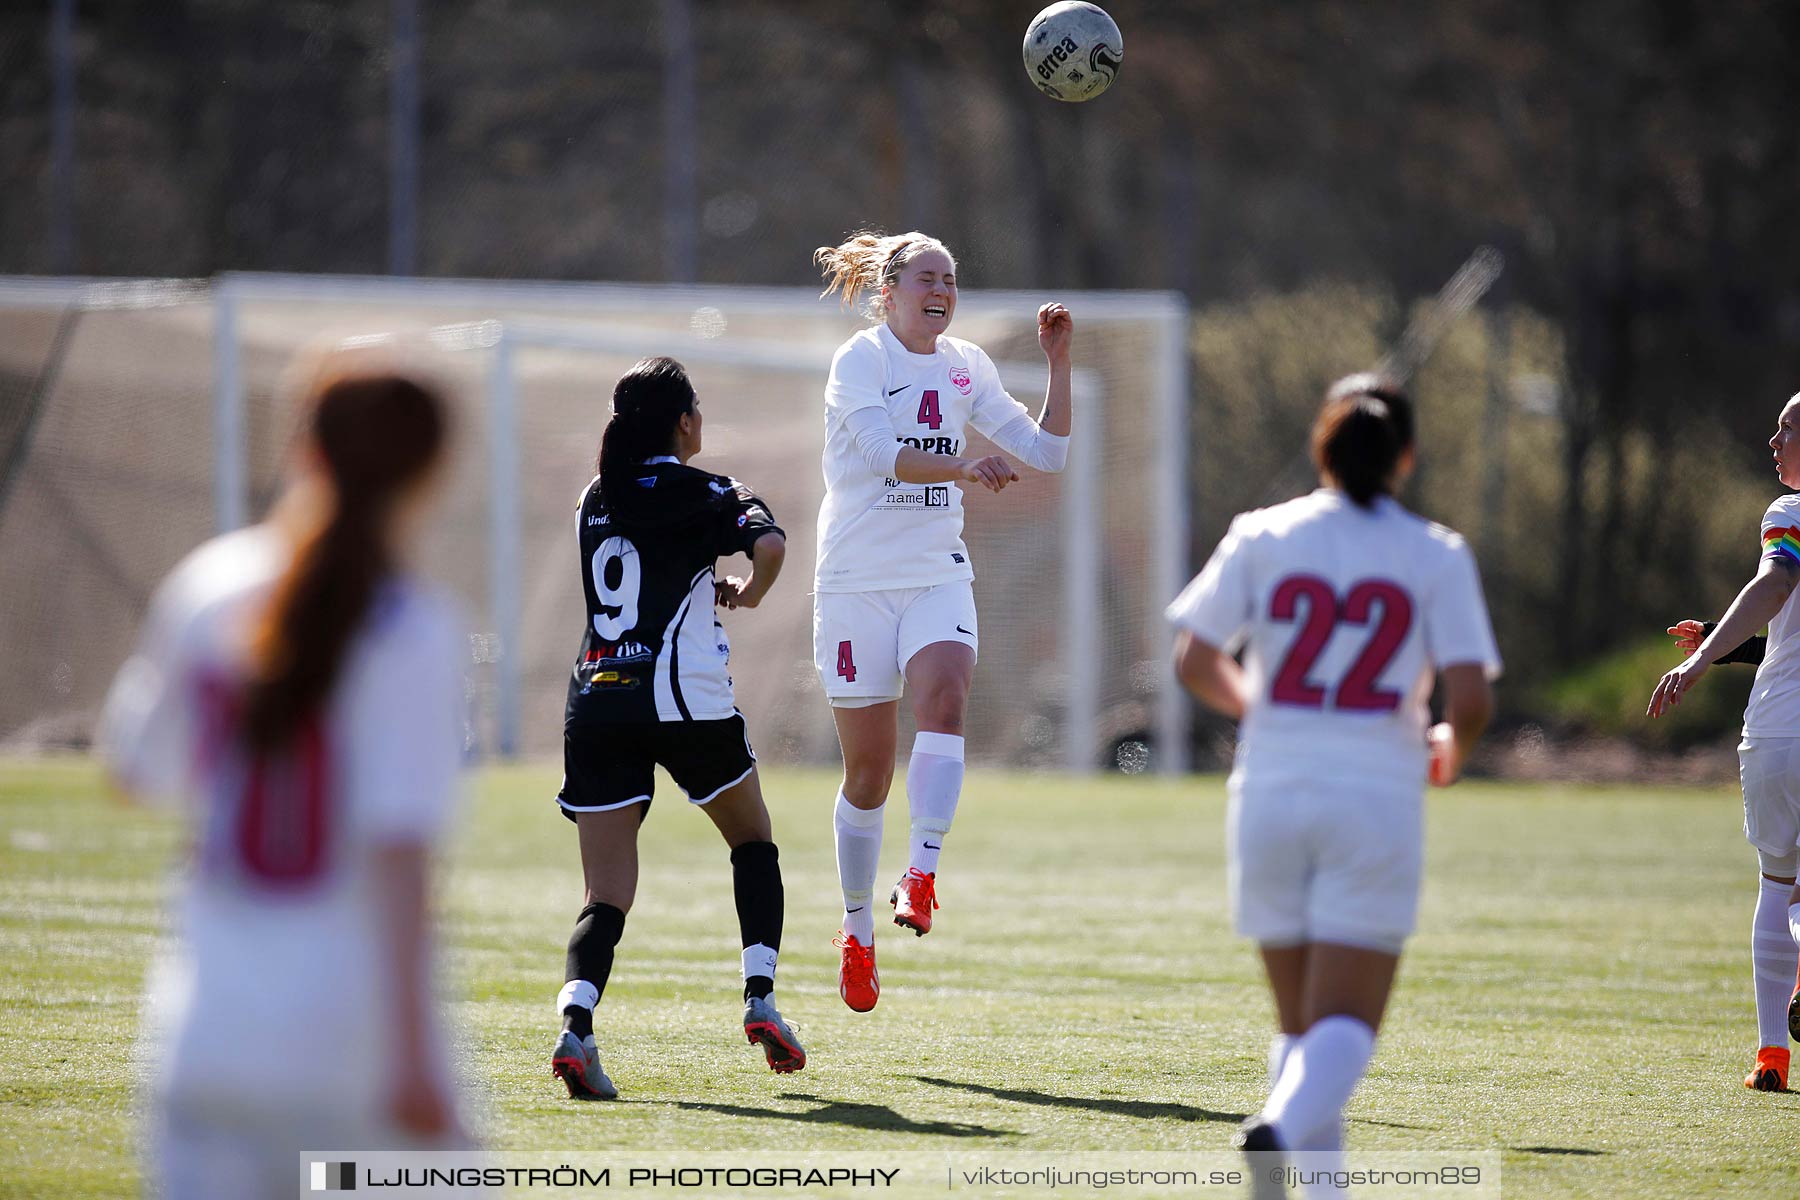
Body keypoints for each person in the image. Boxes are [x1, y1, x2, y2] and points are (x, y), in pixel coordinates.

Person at [98, 355, 467, 1199]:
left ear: (305, 449)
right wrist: (415, 1061)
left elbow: (134, 772)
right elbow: (400, 855)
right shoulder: (410, 624)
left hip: (208, 1033)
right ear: (430, 472)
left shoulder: (207, 586)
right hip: (348, 1044)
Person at [1166, 375, 1498, 1194]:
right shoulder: (1434, 552)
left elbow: (1194, 658)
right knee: (1345, 1024)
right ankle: (1278, 1127)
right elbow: (1475, 696)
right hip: (1373, 796)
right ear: (1406, 459)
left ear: (1322, 449)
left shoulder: (1262, 532)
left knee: (1301, 1025)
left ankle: (1316, 1186)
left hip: (1272, 790)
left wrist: (1263, 708)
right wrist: (1451, 742)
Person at [810, 229, 1074, 1012]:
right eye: (928, 277)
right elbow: (887, 453)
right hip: (855, 582)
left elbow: (1049, 453)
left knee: (947, 699)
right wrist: (962, 465)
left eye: (952, 279)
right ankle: (857, 932)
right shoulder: (861, 360)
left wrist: (1058, 363)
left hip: (934, 572)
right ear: (887, 292)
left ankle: (921, 871)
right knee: (868, 775)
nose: (943, 290)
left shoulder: (967, 365)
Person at [550, 356, 801, 1099]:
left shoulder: (594, 497)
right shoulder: (711, 489)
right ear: (685, 421)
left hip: (596, 702)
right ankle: (760, 999)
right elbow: (772, 546)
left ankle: (576, 1028)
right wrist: (750, 593)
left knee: (605, 894)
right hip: (684, 699)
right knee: (752, 841)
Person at [1651, 389, 1800, 1092]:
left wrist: (1700, 659)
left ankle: (1773, 1055)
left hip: (1777, 732)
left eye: (1787, 429)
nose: (1773, 442)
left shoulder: (1790, 514)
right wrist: (1725, 642)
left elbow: (1777, 584)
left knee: (1779, 883)